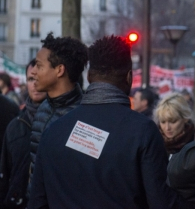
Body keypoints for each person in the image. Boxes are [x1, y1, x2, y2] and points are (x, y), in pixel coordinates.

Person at [28, 35, 178, 209]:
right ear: (129, 78)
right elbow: (160, 202)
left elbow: (37, 201)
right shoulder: (143, 132)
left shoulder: (53, 131)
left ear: (90, 76)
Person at [29, 32, 87, 180]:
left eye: (39, 65)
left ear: (59, 70)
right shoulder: (43, 107)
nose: (33, 71)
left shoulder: (85, 117)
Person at [0, 60, 46, 208]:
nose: (35, 84)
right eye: (31, 79)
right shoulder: (15, 126)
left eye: (40, 78)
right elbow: (4, 175)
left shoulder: (63, 122)